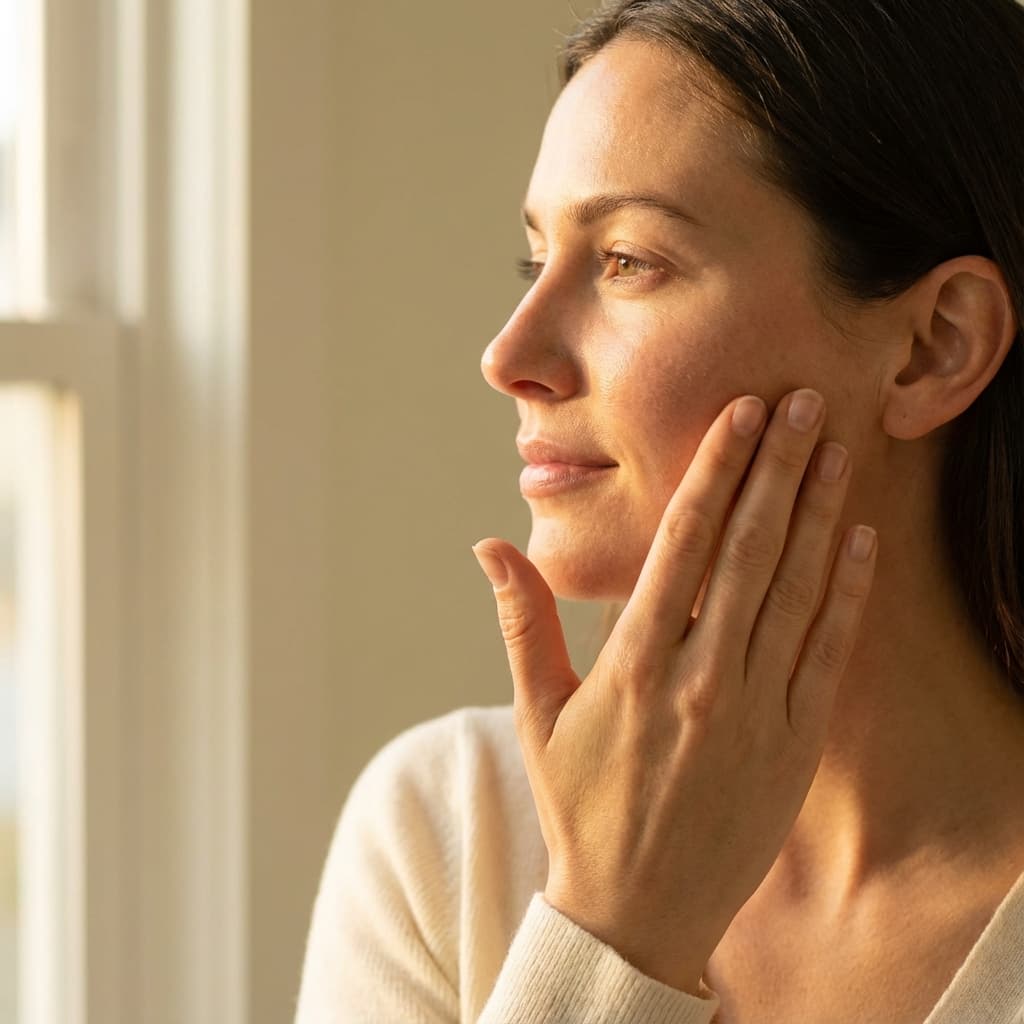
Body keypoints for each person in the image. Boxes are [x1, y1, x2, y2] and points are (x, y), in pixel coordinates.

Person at [294, 1, 1024, 1020]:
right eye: (532, 259)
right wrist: (611, 929)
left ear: (933, 345)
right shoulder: (448, 830)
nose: (509, 357)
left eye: (627, 261)